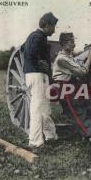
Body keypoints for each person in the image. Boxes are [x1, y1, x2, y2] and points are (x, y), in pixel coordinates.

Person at [52, 32, 91, 147]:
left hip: (73, 87)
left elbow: (78, 63)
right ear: (65, 44)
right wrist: (90, 55)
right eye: (72, 42)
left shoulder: (68, 57)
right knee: (78, 113)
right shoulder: (62, 59)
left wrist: (87, 51)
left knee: (90, 105)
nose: (74, 45)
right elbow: (81, 72)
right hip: (64, 89)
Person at [23, 12, 58, 152]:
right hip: (37, 75)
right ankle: (36, 142)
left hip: (33, 74)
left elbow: (26, 51)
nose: (54, 30)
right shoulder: (38, 37)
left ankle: (50, 136)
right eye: (54, 27)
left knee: (44, 108)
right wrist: (41, 65)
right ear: (47, 25)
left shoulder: (33, 35)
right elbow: (32, 54)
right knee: (38, 108)